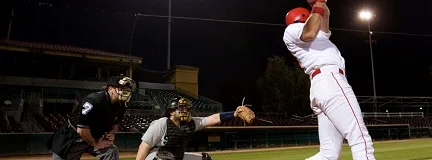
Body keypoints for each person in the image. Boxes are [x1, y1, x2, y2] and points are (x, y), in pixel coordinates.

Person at [283, 1, 375, 160]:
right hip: (330, 80)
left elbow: (323, 19)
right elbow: (310, 32)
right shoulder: (293, 30)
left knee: (329, 154)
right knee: (360, 139)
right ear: (304, 16)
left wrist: (319, 3)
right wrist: (317, 4)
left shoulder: (318, 37)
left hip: (324, 85)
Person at [47, 74, 136, 160]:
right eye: (121, 87)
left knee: (111, 151)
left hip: (94, 137)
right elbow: (81, 130)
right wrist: (95, 144)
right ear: (110, 89)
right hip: (73, 137)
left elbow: (115, 124)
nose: (126, 90)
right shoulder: (93, 101)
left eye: (127, 88)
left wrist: (111, 133)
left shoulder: (122, 105)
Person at [135, 96, 254, 160]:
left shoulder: (190, 123)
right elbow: (143, 147)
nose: (185, 110)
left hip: (177, 156)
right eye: (181, 108)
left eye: (187, 108)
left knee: (205, 159)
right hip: (156, 156)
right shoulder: (161, 124)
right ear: (171, 111)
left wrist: (234, 114)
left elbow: (211, 119)